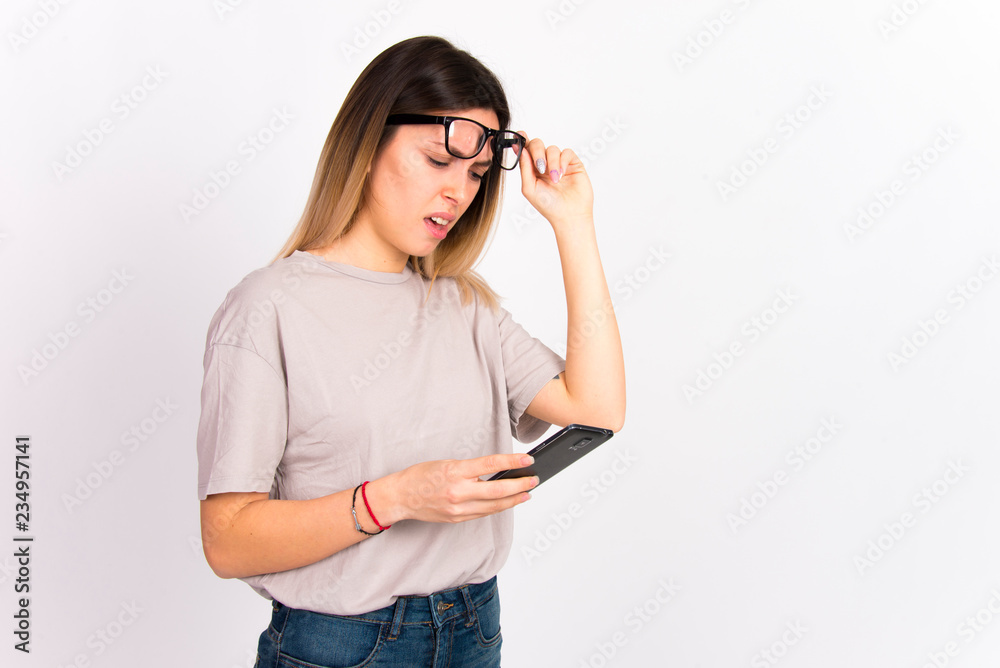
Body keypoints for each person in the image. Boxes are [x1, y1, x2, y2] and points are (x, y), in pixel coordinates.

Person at [196, 35, 625, 667]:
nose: (460, 193)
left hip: (475, 629)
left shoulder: (466, 306)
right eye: (437, 161)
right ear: (367, 146)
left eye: (477, 174)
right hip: (342, 647)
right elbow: (228, 542)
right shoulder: (268, 309)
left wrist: (574, 224)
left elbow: (597, 410)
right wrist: (393, 499)